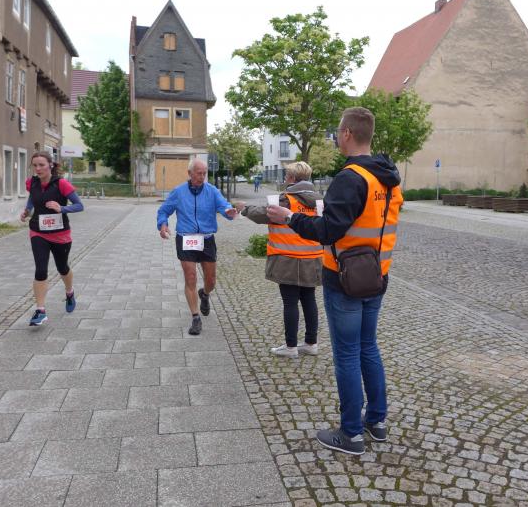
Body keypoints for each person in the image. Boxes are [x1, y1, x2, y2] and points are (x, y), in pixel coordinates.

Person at [267, 107, 403, 455]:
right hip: (377, 275)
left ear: (347, 134)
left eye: (337, 132)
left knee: (347, 354)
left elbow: (328, 230)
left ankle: (351, 434)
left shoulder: (351, 178)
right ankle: (377, 421)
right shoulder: (388, 178)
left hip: (344, 279)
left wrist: (290, 217)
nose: (336, 137)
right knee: (368, 347)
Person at [240, 161, 323, 358]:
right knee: (309, 300)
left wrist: (245, 208)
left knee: (290, 302)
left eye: (286, 176)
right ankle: (311, 343)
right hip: (313, 258)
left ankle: (291, 347)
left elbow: (263, 214)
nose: (285, 179)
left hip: (288, 259)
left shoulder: (286, 200)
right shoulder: (320, 200)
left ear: (292, 178)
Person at [157, 158, 238, 335]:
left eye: (204, 173)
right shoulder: (178, 192)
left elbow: (224, 206)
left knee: (211, 281)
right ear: (190, 173)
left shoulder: (212, 191)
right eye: (199, 173)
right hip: (186, 238)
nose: (202, 177)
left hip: (206, 238)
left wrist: (229, 212)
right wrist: (162, 224)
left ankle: (205, 294)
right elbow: (164, 210)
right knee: (191, 277)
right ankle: (195, 317)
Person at [19, 152, 84, 326]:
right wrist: (27, 211)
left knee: (62, 267)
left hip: (60, 234)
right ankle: (40, 310)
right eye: (35, 165)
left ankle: (69, 292)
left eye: (41, 165)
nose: (38, 168)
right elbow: (32, 198)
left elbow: (79, 206)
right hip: (38, 232)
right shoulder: (32, 183)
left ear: (50, 165)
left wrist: (61, 208)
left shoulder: (61, 184)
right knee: (41, 270)